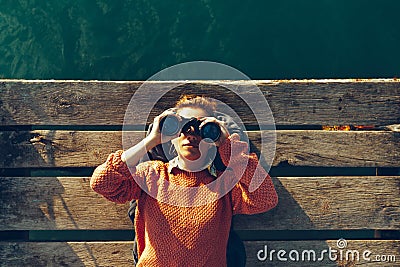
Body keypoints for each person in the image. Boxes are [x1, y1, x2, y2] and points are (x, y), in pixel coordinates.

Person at [90, 95, 278, 266]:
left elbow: (265, 198)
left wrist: (227, 145)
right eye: (182, 128)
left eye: (202, 130)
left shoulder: (224, 183)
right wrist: (151, 140)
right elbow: (102, 182)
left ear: (212, 140)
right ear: (171, 138)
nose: (191, 134)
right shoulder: (151, 174)